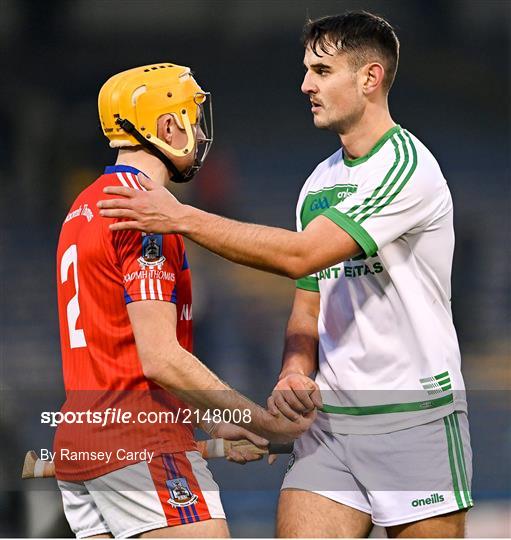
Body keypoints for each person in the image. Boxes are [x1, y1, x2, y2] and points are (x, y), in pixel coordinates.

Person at [97, 13, 474, 538]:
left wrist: (180, 216)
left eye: (321, 70)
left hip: (414, 419)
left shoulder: (407, 167)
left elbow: (302, 256)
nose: (305, 84)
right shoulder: (319, 182)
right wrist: (294, 371)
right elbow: (308, 303)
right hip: (332, 427)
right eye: (306, 70)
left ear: (369, 77)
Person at [55, 62, 314, 539]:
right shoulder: (147, 212)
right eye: (190, 120)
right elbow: (160, 358)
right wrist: (259, 421)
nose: (197, 132)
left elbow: (120, 352)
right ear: (166, 127)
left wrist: (219, 426)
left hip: (83, 449)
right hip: (140, 446)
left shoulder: (84, 205)